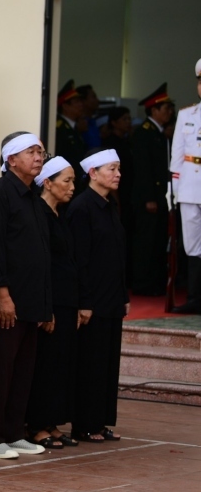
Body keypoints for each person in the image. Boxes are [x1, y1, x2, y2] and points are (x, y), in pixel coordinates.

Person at [0, 132, 53, 460]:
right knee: (0, 370)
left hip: (32, 300)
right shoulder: (0, 193)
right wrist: (2, 295)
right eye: (31, 152)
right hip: (9, 300)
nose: (38, 157)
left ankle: (13, 432)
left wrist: (46, 305)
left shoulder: (33, 195)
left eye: (40, 152)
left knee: (23, 371)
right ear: (11, 160)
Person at [67, 149, 127, 443]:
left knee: (107, 364)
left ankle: (101, 421)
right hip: (94, 301)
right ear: (93, 173)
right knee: (90, 364)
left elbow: (116, 254)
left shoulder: (109, 204)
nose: (117, 174)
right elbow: (81, 258)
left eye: (118, 169)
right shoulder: (81, 208)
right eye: (112, 169)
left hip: (112, 298)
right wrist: (85, 301)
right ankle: (85, 423)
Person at [25, 156, 78, 451]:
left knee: (60, 364)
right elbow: (41, 264)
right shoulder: (40, 214)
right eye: (66, 181)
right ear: (47, 182)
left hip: (66, 299)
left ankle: (51, 421)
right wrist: (46, 306)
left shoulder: (60, 214)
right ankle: (36, 423)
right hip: (50, 301)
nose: (72, 187)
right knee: (45, 364)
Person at [128, 83, 175, 297]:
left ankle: (155, 281)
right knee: (146, 241)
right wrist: (148, 197)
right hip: (149, 198)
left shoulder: (159, 134)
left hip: (160, 196)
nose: (169, 112)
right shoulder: (144, 134)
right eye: (165, 108)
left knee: (157, 240)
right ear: (153, 110)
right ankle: (142, 282)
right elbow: (143, 169)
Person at [170, 60, 201, 313]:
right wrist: (173, 190)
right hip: (190, 185)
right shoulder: (186, 115)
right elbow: (177, 156)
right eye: (200, 82)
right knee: (191, 244)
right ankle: (194, 298)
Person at [55, 80, 87, 177]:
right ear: (65, 106)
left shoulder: (73, 127)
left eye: (81, 101)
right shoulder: (59, 128)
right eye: (76, 102)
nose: (81, 104)